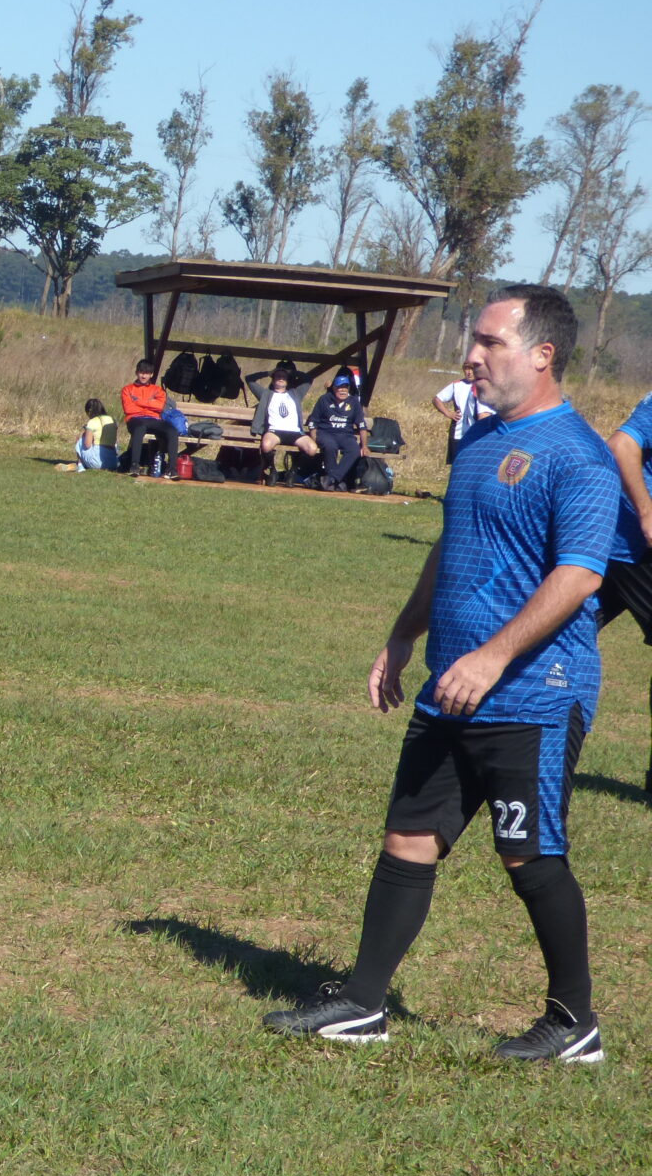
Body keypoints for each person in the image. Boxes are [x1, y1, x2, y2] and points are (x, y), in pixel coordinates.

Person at [264, 285, 619, 1063]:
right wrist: (402, 635)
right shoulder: (480, 439)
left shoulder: (579, 456)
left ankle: (574, 1023)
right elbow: (451, 546)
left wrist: (493, 657)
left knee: (529, 856)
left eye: (490, 342)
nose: (472, 356)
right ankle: (363, 1004)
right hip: (450, 687)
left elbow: (580, 575)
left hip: (533, 694)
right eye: (474, 341)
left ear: (542, 355)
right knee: (409, 837)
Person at [594, 388, 652, 790]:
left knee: (556, 631)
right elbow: (621, 445)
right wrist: (647, 513)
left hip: (617, 546)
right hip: (633, 545)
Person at [305, 373, 368, 491]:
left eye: (345, 387)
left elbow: (362, 426)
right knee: (330, 446)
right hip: (326, 433)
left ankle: (331, 479)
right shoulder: (324, 400)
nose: (343, 390)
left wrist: (364, 446)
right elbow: (313, 423)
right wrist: (313, 440)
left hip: (346, 435)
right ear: (334, 388)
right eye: (339, 387)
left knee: (354, 449)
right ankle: (335, 481)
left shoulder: (354, 402)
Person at [119, 360, 179, 478]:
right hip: (135, 419)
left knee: (172, 431)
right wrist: (150, 403)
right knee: (140, 428)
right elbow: (129, 409)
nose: (143, 376)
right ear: (136, 372)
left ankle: (172, 469)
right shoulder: (127, 389)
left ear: (151, 375)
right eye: (141, 372)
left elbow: (160, 406)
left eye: (147, 373)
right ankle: (134, 466)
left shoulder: (157, 390)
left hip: (154, 419)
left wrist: (138, 402)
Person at [251, 369, 308, 481]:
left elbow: (308, 380)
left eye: (284, 377)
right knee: (266, 446)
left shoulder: (296, 394)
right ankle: (273, 470)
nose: (281, 379)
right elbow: (250, 380)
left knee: (312, 449)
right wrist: (267, 373)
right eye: (278, 376)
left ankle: (292, 472)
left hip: (294, 431)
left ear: (288, 380)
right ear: (273, 380)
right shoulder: (266, 394)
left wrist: (292, 372)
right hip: (274, 431)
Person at [433, 366, 495, 466]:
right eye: (467, 369)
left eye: (472, 369)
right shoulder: (456, 385)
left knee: (474, 464)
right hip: (458, 433)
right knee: (457, 464)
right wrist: (448, 413)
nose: (469, 372)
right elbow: (437, 399)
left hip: (476, 433)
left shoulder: (484, 386)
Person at [73, 397, 119, 471]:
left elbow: (87, 445)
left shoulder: (92, 422)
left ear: (89, 412)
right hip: (113, 462)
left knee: (81, 440)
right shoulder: (112, 420)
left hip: (97, 462)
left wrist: (85, 433)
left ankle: (80, 464)